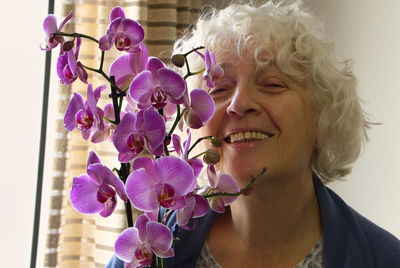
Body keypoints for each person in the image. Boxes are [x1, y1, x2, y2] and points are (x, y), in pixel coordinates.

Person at [107, 1, 400, 267]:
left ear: (323, 120)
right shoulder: (142, 258)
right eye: (219, 88)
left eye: (273, 84)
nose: (239, 104)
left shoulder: (385, 259)